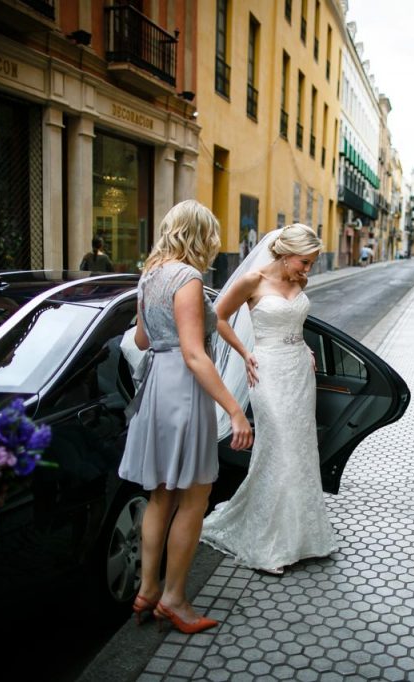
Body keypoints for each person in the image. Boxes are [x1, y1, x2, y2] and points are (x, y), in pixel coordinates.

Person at [118, 200, 253, 634]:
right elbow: (195, 354)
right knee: (195, 497)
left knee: (161, 496)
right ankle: (175, 598)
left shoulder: (150, 274)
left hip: (156, 385)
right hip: (184, 390)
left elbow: (141, 339)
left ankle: (148, 589)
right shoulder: (189, 278)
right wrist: (235, 410)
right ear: (201, 236)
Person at [201, 223, 338, 575]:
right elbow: (217, 318)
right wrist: (245, 352)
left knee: (302, 451)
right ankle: (270, 544)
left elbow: (295, 320)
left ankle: (304, 537)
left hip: (298, 373)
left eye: (310, 264)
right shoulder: (253, 280)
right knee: (278, 449)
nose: (307, 271)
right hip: (266, 371)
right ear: (285, 253)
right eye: (304, 262)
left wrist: (304, 345)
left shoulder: (299, 282)